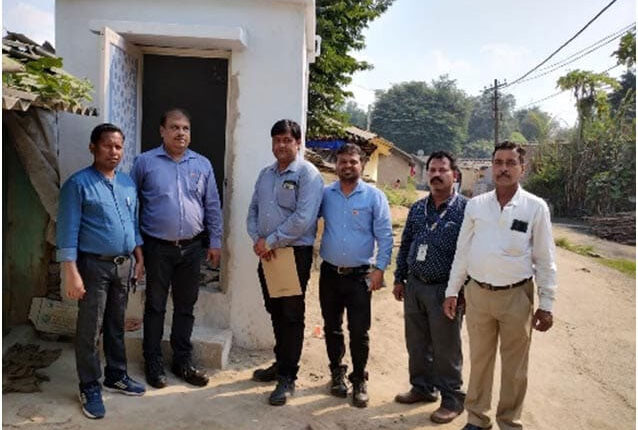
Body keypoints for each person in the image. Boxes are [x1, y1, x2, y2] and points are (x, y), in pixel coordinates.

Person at [443, 141, 557, 430]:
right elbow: (462, 251)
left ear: (522, 168)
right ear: (491, 166)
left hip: (516, 296)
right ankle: (477, 419)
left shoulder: (535, 207)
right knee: (480, 360)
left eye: (510, 163)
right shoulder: (476, 205)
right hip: (478, 295)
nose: (503, 168)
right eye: (498, 162)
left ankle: (509, 421)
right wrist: (452, 290)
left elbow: (545, 259)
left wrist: (546, 304)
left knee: (515, 367)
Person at [57, 123, 145, 419]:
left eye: (118, 146)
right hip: (92, 266)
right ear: (93, 147)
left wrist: (139, 257)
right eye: (107, 145)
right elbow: (67, 231)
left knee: (115, 324)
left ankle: (116, 375)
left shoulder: (127, 183)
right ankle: (89, 385)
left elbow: (133, 225)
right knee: (90, 328)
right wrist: (71, 272)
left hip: (124, 265)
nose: (114, 151)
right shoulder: (78, 184)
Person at [131, 108, 223, 389]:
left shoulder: (202, 164)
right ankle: (153, 362)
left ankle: (182, 361)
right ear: (162, 131)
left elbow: (212, 205)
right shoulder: (144, 163)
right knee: (155, 306)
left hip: (192, 249)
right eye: (174, 127)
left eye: (185, 128)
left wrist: (215, 241)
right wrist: (136, 245)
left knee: (186, 307)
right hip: (157, 248)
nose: (180, 133)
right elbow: (131, 205)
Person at [246, 119, 324, 406]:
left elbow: (303, 219)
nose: (281, 145)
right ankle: (280, 363)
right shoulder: (265, 174)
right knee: (274, 309)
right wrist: (258, 239)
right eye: (276, 140)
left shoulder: (308, 174)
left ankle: (288, 377)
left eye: (287, 140)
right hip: (267, 254)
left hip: (293, 254)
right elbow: (253, 210)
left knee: (291, 315)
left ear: (298, 143)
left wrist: (270, 241)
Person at [392, 151, 467, 424]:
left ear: (454, 175)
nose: (436, 175)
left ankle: (452, 399)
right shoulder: (417, 208)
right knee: (417, 343)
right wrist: (399, 278)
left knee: (446, 347)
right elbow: (406, 244)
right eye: (432, 170)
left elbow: (471, 253)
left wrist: (461, 291)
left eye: (442, 170)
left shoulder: (466, 210)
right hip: (415, 286)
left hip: (445, 290)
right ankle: (422, 388)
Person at [318, 143, 393, 408]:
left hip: (360, 276)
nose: (347, 166)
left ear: (362, 164)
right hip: (329, 274)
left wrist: (379, 270)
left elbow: (385, 236)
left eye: (353, 161)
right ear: (336, 165)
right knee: (331, 327)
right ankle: (337, 373)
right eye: (342, 161)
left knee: (359, 331)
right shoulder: (326, 195)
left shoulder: (374, 197)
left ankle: (359, 378)